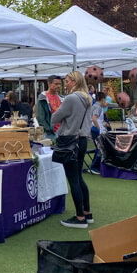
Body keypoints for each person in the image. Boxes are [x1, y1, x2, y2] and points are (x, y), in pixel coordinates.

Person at [51, 71, 93, 228]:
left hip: (70, 141)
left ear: (74, 82)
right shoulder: (87, 98)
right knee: (79, 178)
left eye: (67, 81)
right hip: (81, 140)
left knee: (73, 179)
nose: (65, 84)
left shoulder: (71, 98)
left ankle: (80, 217)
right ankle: (87, 213)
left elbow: (55, 117)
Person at [36, 75, 63, 140]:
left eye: (60, 84)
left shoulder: (61, 98)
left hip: (61, 131)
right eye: (56, 84)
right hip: (50, 133)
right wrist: (48, 129)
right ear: (49, 84)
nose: (58, 86)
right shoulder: (43, 98)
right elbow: (40, 117)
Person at [89, 92, 109, 175]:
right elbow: (94, 119)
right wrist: (99, 128)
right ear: (103, 99)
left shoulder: (96, 106)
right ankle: (94, 167)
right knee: (99, 148)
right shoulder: (97, 107)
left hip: (95, 128)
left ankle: (95, 166)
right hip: (95, 129)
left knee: (99, 147)